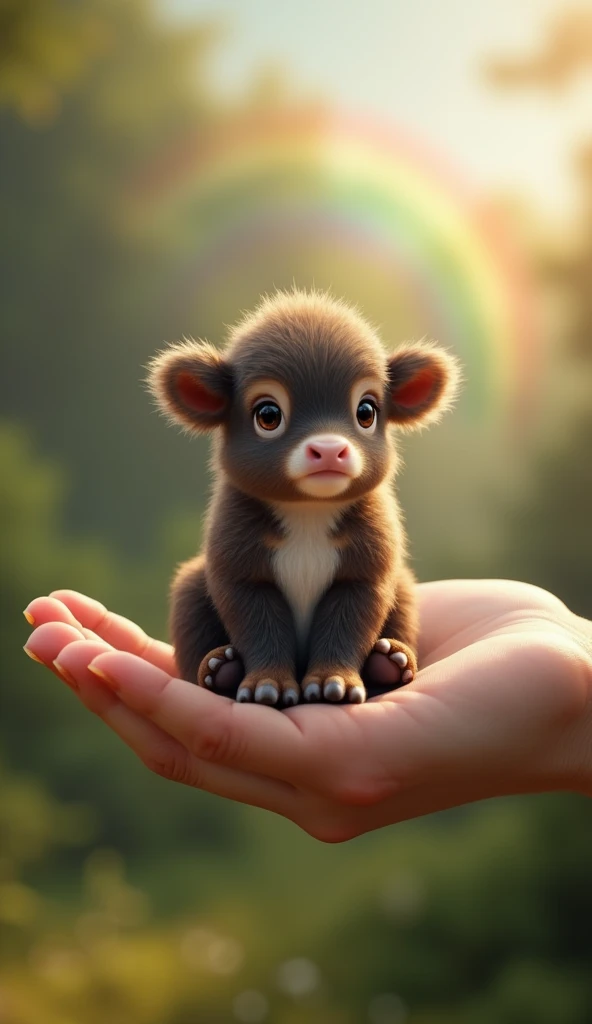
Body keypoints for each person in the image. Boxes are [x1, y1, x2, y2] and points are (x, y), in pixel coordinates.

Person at [23, 578, 591, 842]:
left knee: (383, 594)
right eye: (269, 415)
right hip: (252, 645)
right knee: (203, 591)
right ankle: (241, 671)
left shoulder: (367, 523)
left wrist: (569, 666)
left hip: (350, 643)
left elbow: (368, 592)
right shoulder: (241, 524)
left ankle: (357, 670)